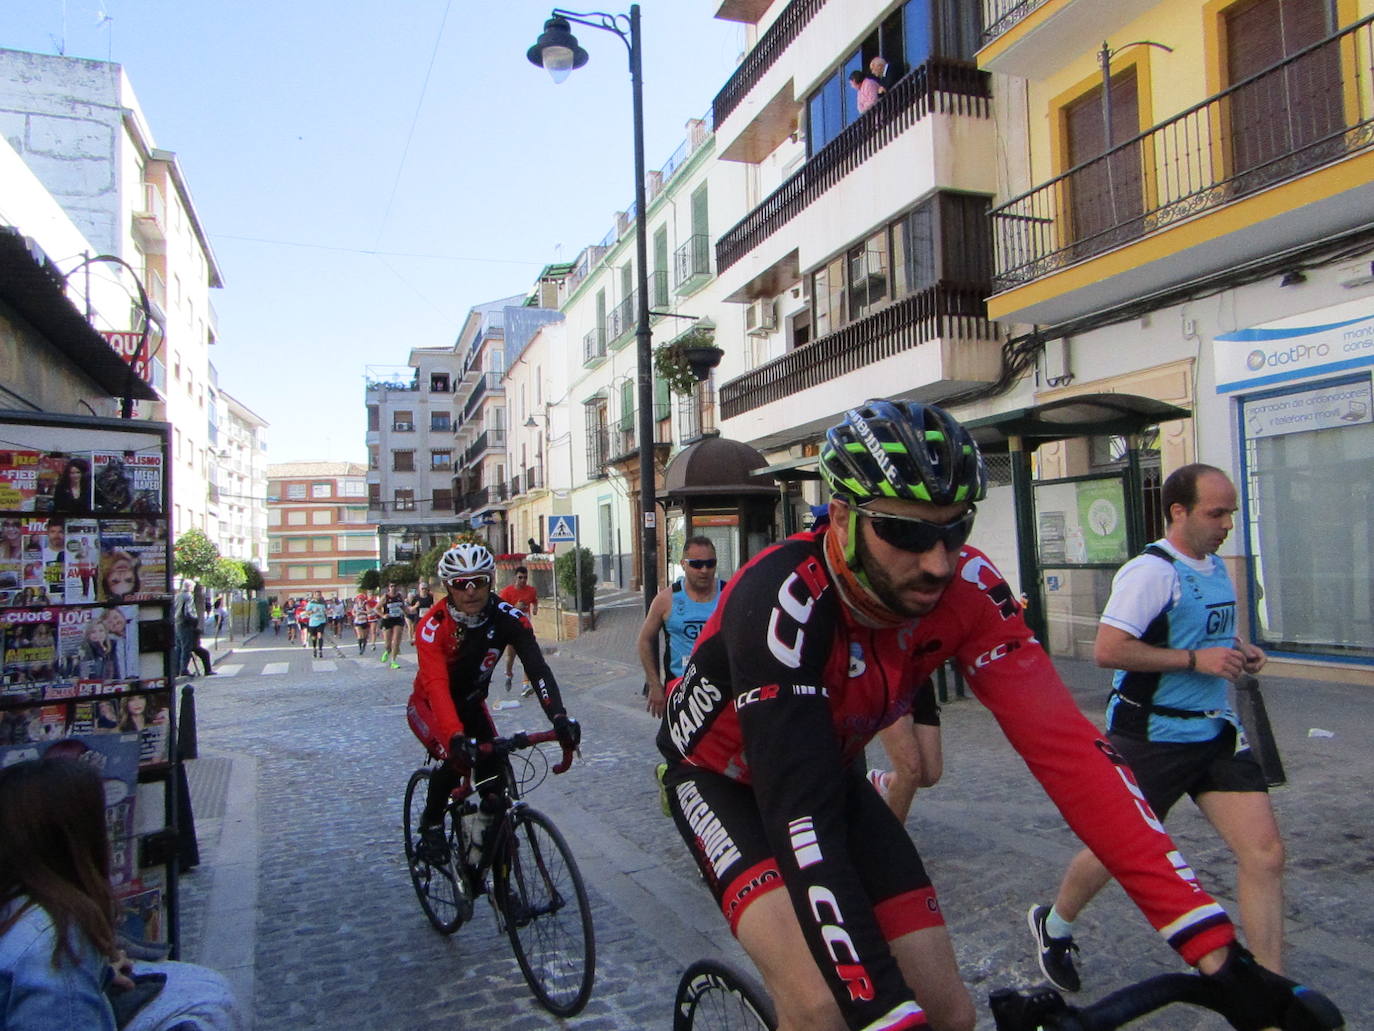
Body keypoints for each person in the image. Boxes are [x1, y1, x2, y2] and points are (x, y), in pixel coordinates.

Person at [655, 400, 1326, 1031]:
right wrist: (879, 1007)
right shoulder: (781, 600)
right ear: (841, 517)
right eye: (906, 531)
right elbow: (798, 817)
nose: (937, 562)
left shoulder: (970, 589)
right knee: (825, 1007)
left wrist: (1217, 952)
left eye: (956, 529)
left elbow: (1072, 755)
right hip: (723, 781)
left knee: (951, 1014)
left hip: (827, 773)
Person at [1028, 463, 1282, 993]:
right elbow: (1108, 650)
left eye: (1231, 513)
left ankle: (1270, 990)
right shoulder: (1150, 572)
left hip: (1214, 732)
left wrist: (1238, 651)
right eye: (1216, 513)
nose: (1227, 524)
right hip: (1151, 736)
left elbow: (1205, 634)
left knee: (1265, 855)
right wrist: (1194, 661)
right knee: (1117, 850)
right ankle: (1055, 924)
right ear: (1178, 512)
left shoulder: (1214, 565)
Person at [0, 756, 243, 1030]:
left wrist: (98, 974)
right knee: (208, 1001)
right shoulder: (58, 941)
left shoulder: (22, 908)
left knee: (203, 986)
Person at [406, 544, 580, 867]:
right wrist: (455, 737)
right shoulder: (433, 626)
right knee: (453, 760)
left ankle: (486, 859)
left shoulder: (507, 618)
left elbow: (537, 669)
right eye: (461, 583)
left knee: (496, 790)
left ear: (490, 581)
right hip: (430, 707)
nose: (470, 591)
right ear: (448, 586)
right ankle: (431, 826)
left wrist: (559, 718)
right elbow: (437, 687)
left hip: (472, 706)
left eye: (479, 581)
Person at [637, 537, 724, 719]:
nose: (704, 570)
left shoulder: (729, 593)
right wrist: (655, 684)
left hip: (722, 690)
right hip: (680, 690)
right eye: (697, 564)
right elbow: (644, 640)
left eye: (710, 564)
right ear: (683, 564)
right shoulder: (666, 600)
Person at [498, 567, 540, 692]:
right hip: (511, 627)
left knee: (528, 656)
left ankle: (525, 685)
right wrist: (514, 607)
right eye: (520, 577)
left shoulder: (531, 590)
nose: (523, 580)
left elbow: (535, 600)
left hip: (525, 628)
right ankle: (508, 673)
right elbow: (500, 610)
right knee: (510, 656)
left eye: (525, 577)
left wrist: (535, 608)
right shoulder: (507, 592)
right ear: (515, 578)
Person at [378, 583, 407, 669]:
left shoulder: (400, 596)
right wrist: (383, 615)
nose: (393, 588)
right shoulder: (385, 597)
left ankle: (393, 661)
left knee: (396, 640)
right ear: (389, 588)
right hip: (388, 620)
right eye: (391, 586)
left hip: (398, 619)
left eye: (395, 586)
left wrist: (408, 612)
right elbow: (376, 608)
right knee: (388, 644)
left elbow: (403, 607)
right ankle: (387, 651)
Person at [304, 592, 328, 659]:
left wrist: (327, 612)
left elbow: (325, 611)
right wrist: (313, 611)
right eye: (317, 595)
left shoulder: (323, 603)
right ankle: (314, 649)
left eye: (319, 595)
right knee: (314, 637)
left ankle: (320, 650)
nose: (318, 596)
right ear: (314, 596)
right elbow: (307, 613)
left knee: (320, 635)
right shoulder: (310, 603)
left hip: (321, 621)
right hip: (313, 622)